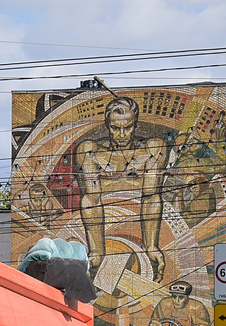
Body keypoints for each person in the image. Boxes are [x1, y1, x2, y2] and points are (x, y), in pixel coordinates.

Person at [73, 95, 173, 283]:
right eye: (115, 128)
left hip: (136, 233)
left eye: (127, 128)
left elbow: (151, 197)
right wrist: (96, 252)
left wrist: (151, 246)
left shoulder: (152, 149)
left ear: (135, 125)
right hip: (107, 233)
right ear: (106, 125)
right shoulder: (90, 151)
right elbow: (91, 199)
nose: (121, 135)